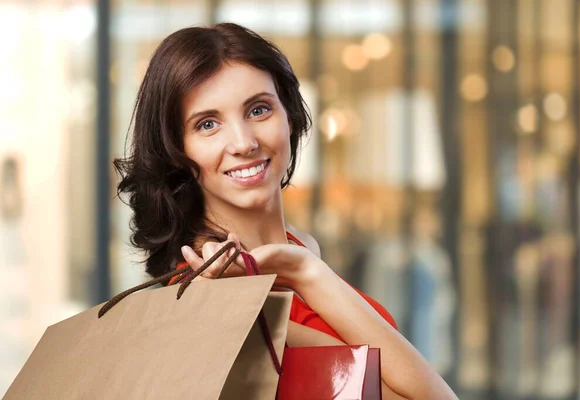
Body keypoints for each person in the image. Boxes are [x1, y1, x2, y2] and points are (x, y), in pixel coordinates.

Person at [114, 22, 457, 399]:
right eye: (207, 124)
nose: (243, 143)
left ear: (289, 115)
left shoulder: (299, 248)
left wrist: (303, 266)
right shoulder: (210, 296)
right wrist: (306, 272)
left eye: (259, 109)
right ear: (176, 152)